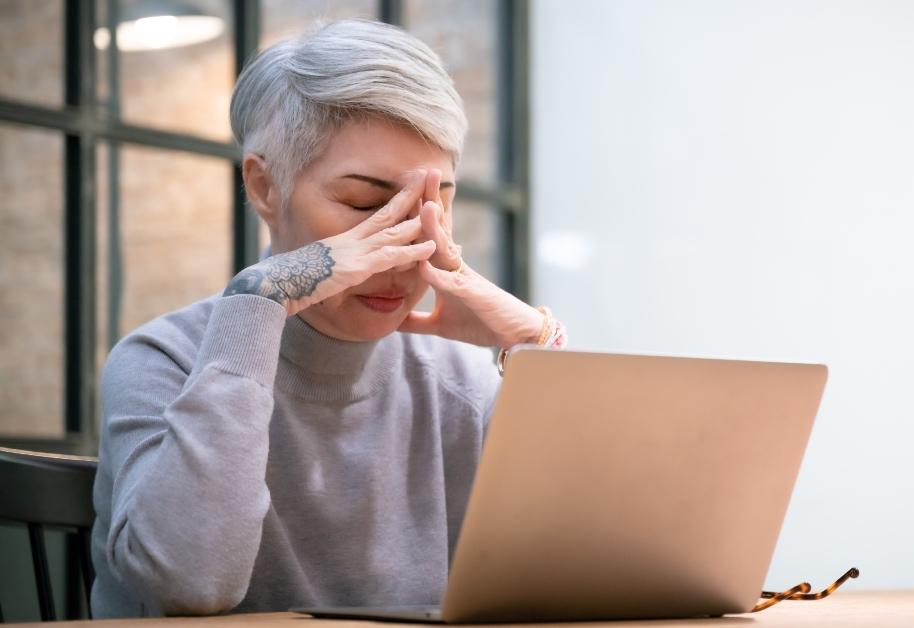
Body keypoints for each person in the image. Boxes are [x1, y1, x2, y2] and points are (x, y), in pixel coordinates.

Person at [90, 19, 565, 618]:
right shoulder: (163, 361)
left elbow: (598, 566)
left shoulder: (463, 383)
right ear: (264, 187)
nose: (408, 245)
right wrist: (259, 302)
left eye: (435, 203)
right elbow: (193, 583)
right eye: (366, 204)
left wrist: (538, 349)